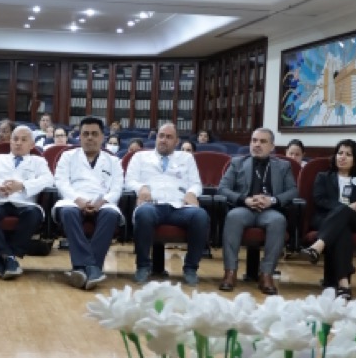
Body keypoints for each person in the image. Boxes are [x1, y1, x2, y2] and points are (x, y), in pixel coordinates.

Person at [124, 121, 210, 286]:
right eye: (161, 136)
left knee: (200, 216)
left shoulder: (186, 158)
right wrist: (140, 187)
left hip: (179, 206)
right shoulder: (140, 157)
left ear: (176, 141)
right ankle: (143, 266)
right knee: (143, 213)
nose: (164, 140)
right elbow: (129, 180)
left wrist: (192, 193)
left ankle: (190, 268)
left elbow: (196, 183)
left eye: (169, 137)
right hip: (152, 204)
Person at [217, 127, 298, 295]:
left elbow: (293, 191)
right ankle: (230, 272)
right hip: (244, 208)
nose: (257, 145)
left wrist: (272, 200)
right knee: (233, 217)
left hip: (269, 210)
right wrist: (244, 199)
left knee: (278, 221)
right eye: (254, 141)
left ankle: (266, 274)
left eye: (262, 141)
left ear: (272, 146)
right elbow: (223, 188)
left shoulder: (283, 166)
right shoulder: (237, 163)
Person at [300, 138, 356, 300]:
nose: (342, 157)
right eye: (340, 153)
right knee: (343, 231)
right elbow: (319, 199)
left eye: (348, 154)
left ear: (355, 160)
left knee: (345, 215)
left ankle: (317, 246)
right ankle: (343, 284)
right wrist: (343, 208)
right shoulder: (323, 177)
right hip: (326, 219)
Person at [54, 116, 124, 290]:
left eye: (94, 134)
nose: (90, 138)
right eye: (85, 134)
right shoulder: (67, 156)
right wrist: (79, 200)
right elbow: (61, 183)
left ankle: (81, 269)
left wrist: (101, 202)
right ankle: (92, 268)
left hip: (103, 203)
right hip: (73, 200)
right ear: (80, 136)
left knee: (110, 214)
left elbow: (117, 188)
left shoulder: (113, 161)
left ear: (102, 137)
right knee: (68, 212)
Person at [0, 127, 51, 278]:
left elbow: (48, 180)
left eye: (23, 140)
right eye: (15, 139)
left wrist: (22, 186)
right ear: (10, 141)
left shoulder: (38, 161)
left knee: (34, 214)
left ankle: (5, 257)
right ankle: (10, 258)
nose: (18, 143)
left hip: (25, 203)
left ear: (32, 145)